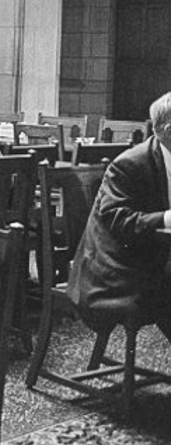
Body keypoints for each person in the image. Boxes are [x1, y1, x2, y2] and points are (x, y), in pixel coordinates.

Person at [68, 92, 171, 334]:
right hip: (114, 270)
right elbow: (118, 220)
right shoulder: (129, 164)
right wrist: (167, 217)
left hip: (153, 257)